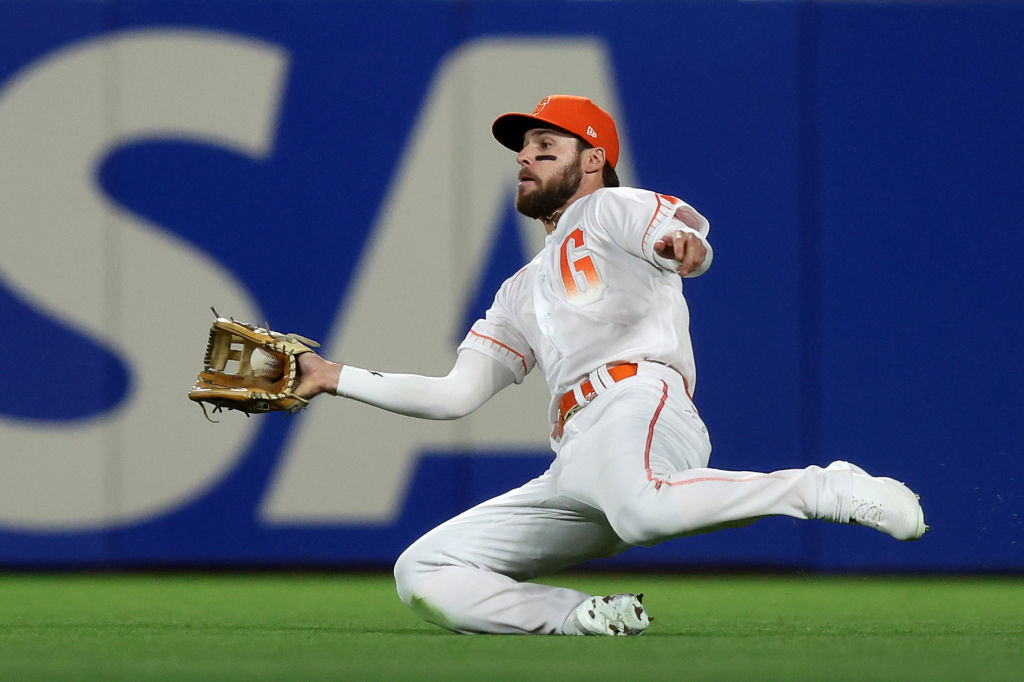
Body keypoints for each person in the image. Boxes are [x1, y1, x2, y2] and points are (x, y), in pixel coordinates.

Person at [295, 95, 927, 636]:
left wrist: (685, 249)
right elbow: (453, 396)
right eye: (523, 149)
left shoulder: (608, 210)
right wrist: (331, 377)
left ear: (592, 158)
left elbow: (681, 238)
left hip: (640, 405)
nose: (525, 157)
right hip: (578, 458)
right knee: (424, 570)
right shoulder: (518, 289)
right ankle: (584, 619)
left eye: (546, 145)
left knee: (643, 511)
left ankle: (825, 487)